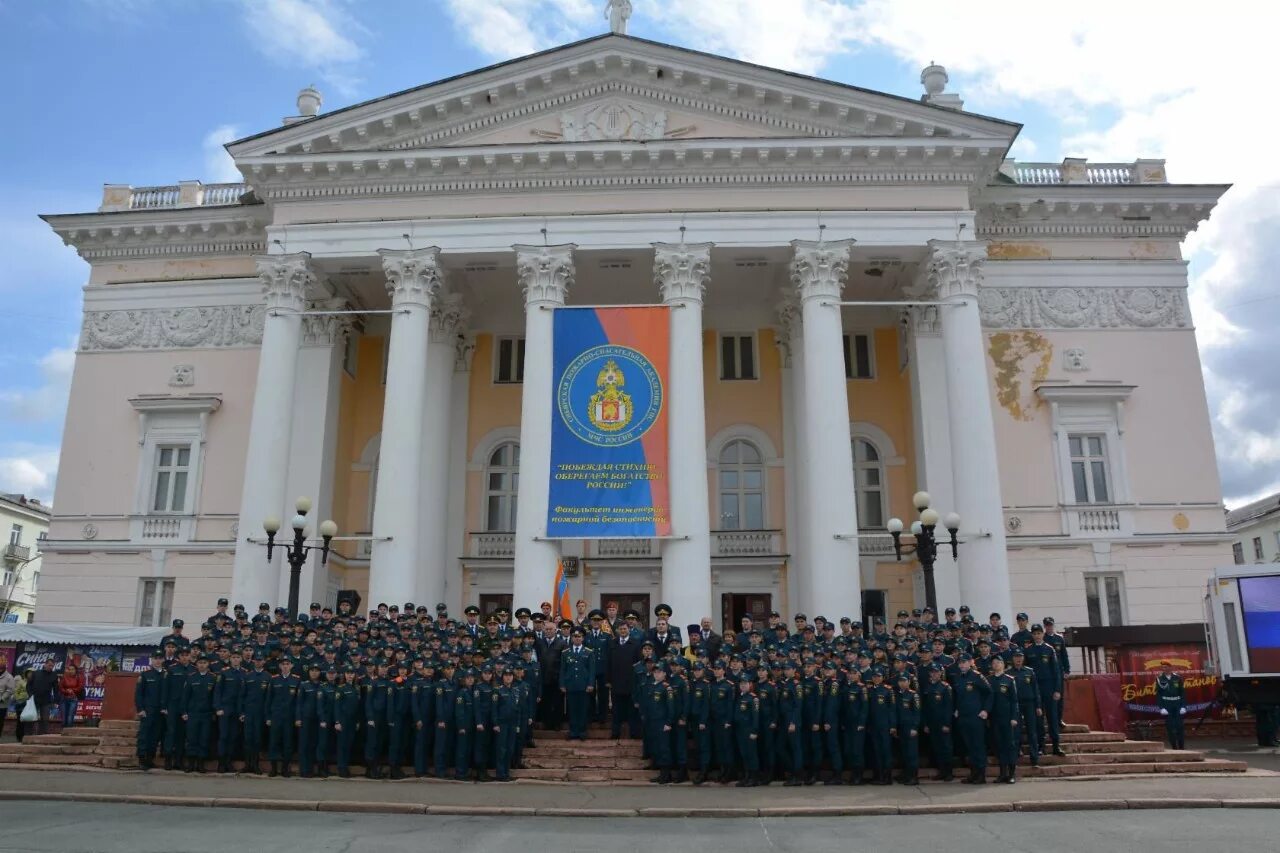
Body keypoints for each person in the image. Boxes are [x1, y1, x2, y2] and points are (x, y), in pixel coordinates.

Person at [988, 656, 1020, 784]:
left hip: (1007, 718)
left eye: (998, 663)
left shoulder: (1009, 680)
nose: (996, 665)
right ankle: (1002, 774)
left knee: (1010, 746)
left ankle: (1011, 774)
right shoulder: (989, 680)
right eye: (994, 663)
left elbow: (1014, 701)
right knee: (999, 746)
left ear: (1003, 665)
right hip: (994, 718)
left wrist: (1014, 717)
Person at [182, 655, 217, 772]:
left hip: (207, 714)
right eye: (200, 662)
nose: (202, 665)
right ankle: (191, 764)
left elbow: (215, 697)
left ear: (208, 664)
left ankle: (200, 764)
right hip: (193, 713)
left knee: (204, 738)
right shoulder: (191, 677)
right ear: (196, 665)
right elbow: (185, 696)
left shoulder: (213, 678)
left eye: (204, 662)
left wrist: (214, 712)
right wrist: (184, 711)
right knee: (192, 739)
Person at [607, 620, 642, 739]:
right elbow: (608, 663)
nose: (623, 631)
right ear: (617, 631)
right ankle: (615, 733)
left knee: (632, 710)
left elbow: (638, 664)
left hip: (630, 682)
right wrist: (608, 680)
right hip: (616, 682)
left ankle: (634, 733)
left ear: (629, 630)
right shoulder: (612, 643)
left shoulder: (636, 644)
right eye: (621, 629)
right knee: (616, 710)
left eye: (625, 629)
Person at [560, 627, 595, 740]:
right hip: (570, 685)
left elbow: (592, 670)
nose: (577, 638)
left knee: (583, 709)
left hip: (584, 685)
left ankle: (582, 731)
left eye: (579, 636)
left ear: (583, 638)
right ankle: (573, 731)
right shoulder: (566, 652)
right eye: (574, 636)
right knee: (572, 709)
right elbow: (562, 670)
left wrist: (590, 684)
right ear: (571, 638)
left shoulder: (588, 652)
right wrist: (562, 684)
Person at [133, 651, 165, 769]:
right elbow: (138, 694)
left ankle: (150, 758)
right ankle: (142, 758)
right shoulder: (145, 675)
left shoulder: (166, 674)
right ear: (152, 660)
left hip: (160, 711)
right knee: (144, 735)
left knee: (155, 735)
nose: (157, 661)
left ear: (163, 660)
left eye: (160, 658)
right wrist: (140, 709)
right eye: (155, 658)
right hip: (147, 710)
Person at [1156, 660, 1187, 750]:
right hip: (1167, 705)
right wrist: (1161, 708)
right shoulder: (1159, 679)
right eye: (1163, 667)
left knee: (1180, 728)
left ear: (1170, 667)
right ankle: (1174, 748)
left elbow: (1182, 693)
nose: (1164, 669)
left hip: (1177, 705)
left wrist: (1183, 706)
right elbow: (1159, 694)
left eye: (1166, 667)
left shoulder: (1177, 678)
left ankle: (1181, 748)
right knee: (1170, 728)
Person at [27, 658, 57, 736]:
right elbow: (28, 685)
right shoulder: (36, 673)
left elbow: (56, 689)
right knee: (32, 718)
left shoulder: (54, 675)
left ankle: (43, 736)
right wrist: (30, 695)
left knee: (45, 719)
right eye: (49, 665)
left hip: (46, 701)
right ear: (45, 664)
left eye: (52, 666)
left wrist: (56, 700)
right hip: (34, 699)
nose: (51, 667)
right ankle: (29, 735)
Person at [0, 659, 14, 739]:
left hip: (2, 704)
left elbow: (10, 690)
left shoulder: (9, 677)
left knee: (0, 722)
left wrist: (2, 698)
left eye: (1, 668)